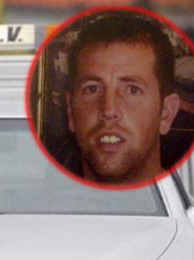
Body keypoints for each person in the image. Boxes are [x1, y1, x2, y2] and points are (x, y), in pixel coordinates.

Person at [64, 12, 181, 185]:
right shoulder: (42, 208)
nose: (109, 110)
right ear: (70, 111)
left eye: (132, 90)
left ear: (166, 113)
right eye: (92, 89)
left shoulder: (190, 206)